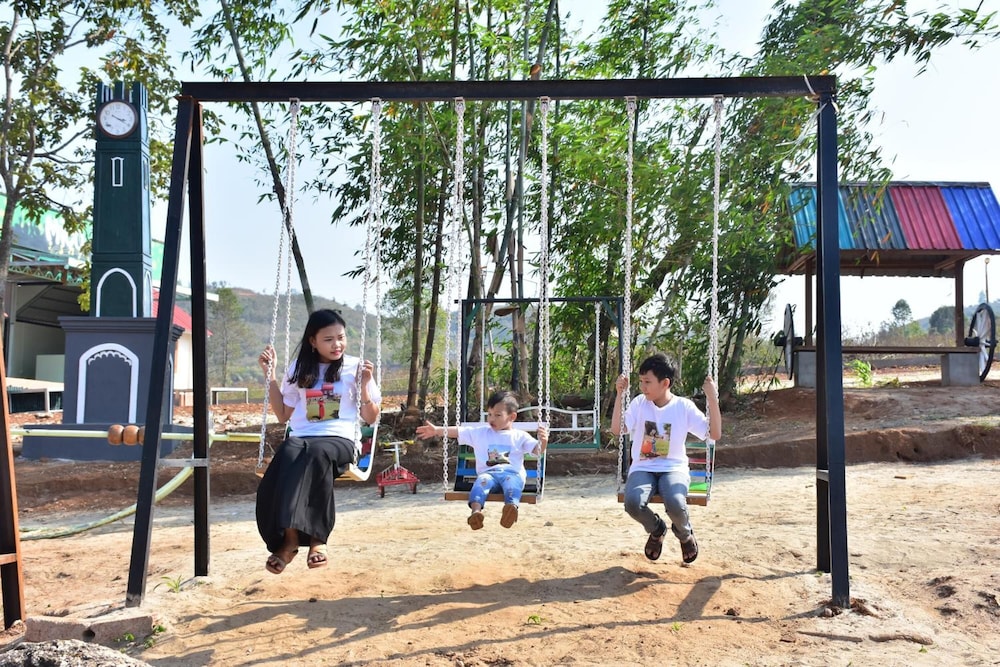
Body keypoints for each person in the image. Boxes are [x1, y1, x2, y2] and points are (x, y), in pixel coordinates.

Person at [255, 308, 381, 574]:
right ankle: (289, 540)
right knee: (287, 454)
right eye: (328, 339)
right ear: (313, 341)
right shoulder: (299, 369)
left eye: (341, 337)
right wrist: (271, 377)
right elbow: (283, 415)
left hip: (340, 440)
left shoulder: (356, 368)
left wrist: (364, 385)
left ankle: (317, 540)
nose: (337, 345)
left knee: (317, 453)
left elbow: (370, 417)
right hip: (302, 439)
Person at [611, 353, 721, 565]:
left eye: (647, 382)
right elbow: (617, 429)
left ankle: (685, 535)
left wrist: (712, 399)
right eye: (641, 381)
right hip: (643, 468)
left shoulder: (683, 407)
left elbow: (714, 434)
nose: (643, 387)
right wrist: (619, 395)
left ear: (665, 383)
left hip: (673, 468)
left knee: (676, 503)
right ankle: (657, 529)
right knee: (632, 503)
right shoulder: (639, 404)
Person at [415, 391, 548, 530]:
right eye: (489, 414)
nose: (492, 419)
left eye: (497, 415)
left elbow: (537, 450)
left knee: (512, 486)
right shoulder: (481, 433)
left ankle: (510, 508)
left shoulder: (520, 436)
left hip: (512, 474)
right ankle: (476, 513)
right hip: (488, 474)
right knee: (480, 484)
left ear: (512, 417)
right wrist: (437, 430)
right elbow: (459, 431)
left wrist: (543, 441)